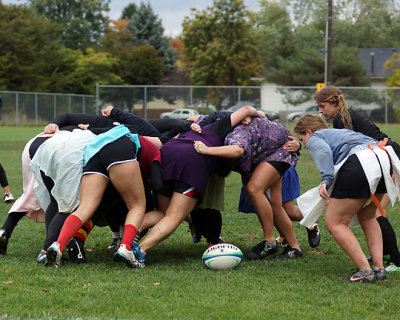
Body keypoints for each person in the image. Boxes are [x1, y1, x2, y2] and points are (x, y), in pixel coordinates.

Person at [134, 106, 265, 264]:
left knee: (162, 212)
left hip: (166, 154)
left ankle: (125, 243)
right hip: (190, 161)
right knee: (174, 215)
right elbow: (245, 109)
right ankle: (138, 251)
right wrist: (257, 113)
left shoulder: (199, 125)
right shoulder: (221, 126)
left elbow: (194, 119)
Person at [293, 114, 400, 282]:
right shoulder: (341, 133)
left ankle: (365, 271)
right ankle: (379, 268)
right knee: (368, 215)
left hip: (362, 161)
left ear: (308, 131)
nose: (305, 145)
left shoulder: (316, 136)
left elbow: (323, 151)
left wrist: (326, 179)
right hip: (384, 159)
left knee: (334, 222)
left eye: (302, 139)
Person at [44, 125, 160, 268]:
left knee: (85, 207)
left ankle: (58, 245)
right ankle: (125, 247)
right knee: (137, 206)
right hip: (121, 148)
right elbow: (158, 184)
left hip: (94, 150)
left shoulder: (133, 135)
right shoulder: (158, 151)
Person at [312, 85, 400, 273]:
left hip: (388, 159)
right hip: (384, 158)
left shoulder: (342, 120)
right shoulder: (344, 116)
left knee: (376, 214)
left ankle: (395, 260)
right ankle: (383, 256)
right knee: (371, 214)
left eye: (323, 106)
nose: (320, 111)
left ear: (334, 102)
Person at [193, 116, 302, 260]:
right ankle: (294, 248)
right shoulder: (215, 124)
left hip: (277, 150)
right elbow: (198, 117)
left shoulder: (234, 136)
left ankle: (269, 241)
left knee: (254, 189)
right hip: (265, 151)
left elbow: (238, 151)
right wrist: (194, 124)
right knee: (275, 204)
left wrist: (207, 150)